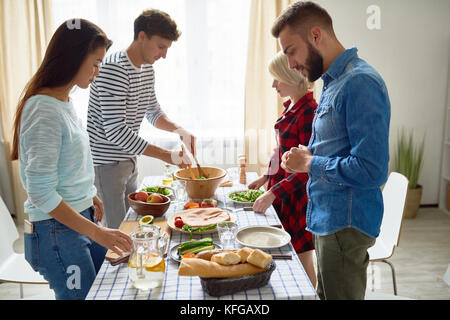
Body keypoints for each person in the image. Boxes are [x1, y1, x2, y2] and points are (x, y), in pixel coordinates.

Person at [272, 1, 391, 300]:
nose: (290, 65)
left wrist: (310, 163)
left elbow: (371, 169)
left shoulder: (359, 82)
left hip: (344, 224)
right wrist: (304, 157)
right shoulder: (333, 82)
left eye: (291, 51)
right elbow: (335, 147)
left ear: (315, 35)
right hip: (329, 221)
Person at [11, 19, 133, 300]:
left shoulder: (63, 101)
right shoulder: (44, 109)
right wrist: (97, 232)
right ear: (74, 57)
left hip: (74, 221)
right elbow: (40, 191)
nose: (97, 72)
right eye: (96, 63)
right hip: (54, 231)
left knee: (105, 288)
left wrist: (89, 195)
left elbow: (69, 163)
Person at [87, 9, 193, 229]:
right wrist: (167, 156)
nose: (164, 55)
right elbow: (115, 130)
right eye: (161, 46)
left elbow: (152, 112)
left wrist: (179, 130)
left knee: (132, 227)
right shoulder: (114, 69)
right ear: (142, 36)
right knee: (117, 232)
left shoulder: (146, 69)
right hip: (107, 165)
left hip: (129, 160)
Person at [248, 50, 317, 287]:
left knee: (303, 255)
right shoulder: (290, 107)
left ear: (294, 75)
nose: (273, 85)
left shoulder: (309, 112)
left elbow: (306, 167)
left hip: (298, 197)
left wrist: (273, 191)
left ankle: (309, 294)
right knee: (285, 251)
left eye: (277, 78)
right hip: (282, 192)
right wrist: (265, 176)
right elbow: (280, 151)